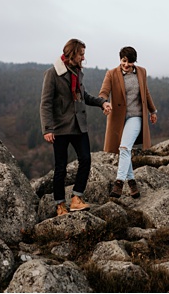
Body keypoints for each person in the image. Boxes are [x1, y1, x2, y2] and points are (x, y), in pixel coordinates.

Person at [40, 38, 113, 216]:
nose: (83, 57)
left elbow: (84, 96)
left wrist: (102, 103)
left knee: (86, 160)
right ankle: (60, 205)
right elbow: (45, 103)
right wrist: (47, 128)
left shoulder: (77, 72)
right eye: (81, 53)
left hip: (79, 126)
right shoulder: (53, 74)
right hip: (60, 127)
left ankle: (76, 198)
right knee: (61, 167)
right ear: (73, 54)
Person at [99, 46, 158, 199]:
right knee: (125, 149)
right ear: (120, 59)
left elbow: (146, 92)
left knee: (124, 148)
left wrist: (153, 111)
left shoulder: (141, 72)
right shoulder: (111, 74)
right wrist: (104, 103)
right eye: (124, 61)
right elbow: (104, 92)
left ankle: (118, 183)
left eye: (130, 62)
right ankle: (132, 184)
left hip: (136, 116)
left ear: (134, 62)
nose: (126, 64)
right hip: (118, 118)